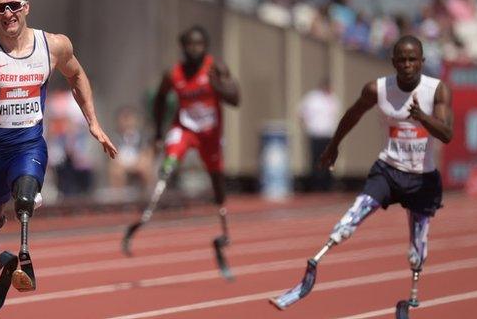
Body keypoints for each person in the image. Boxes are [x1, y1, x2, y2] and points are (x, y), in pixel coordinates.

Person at [0, 0, 116, 293]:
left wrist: (93, 122)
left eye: (15, 6)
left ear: (26, 7)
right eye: (1, 8)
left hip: (28, 145)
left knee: (24, 199)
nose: (9, 13)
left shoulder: (53, 45)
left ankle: (23, 257)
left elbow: (76, 75)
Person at [271, 35, 453, 311]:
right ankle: (315, 262)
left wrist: (422, 116)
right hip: (388, 171)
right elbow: (352, 114)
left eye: (412, 59)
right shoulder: (377, 89)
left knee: (417, 251)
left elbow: (447, 134)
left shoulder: (437, 90)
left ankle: (412, 294)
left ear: (422, 62)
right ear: (393, 62)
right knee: (349, 220)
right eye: (401, 59)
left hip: (422, 179)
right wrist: (333, 146)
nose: (407, 65)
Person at [122, 25, 240, 280]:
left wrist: (218, 84)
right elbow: (160, 100)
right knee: (168, 164)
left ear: (206, 47)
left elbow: (236, 99)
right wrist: (157, 133)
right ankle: (145, 216)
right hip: (184, 128)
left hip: (210, 134)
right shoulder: (172, 74)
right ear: (183, 47)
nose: (193, 49)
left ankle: (223, 232)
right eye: (189, 44)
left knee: (217, 181)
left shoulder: (215, 68)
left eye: (198, 44)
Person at [298, 77, 340, 191]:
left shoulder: (333, 99)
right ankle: (316, 185)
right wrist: (306, 126)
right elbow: (301, 113)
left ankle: (328, 185)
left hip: (329, 135)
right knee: (316, 160)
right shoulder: (312, 98)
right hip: (315, 133)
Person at [108, 105, 154, 192]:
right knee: (116, 171)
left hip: (138, 162)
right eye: (124, 119)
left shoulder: (143, 137)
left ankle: (147, 196)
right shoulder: (114, 137)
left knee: (145, 169)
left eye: (129, 118)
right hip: (121, 163)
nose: (127, 122)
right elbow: (112, 157)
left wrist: (138, 164)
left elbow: (147, 153)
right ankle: (118, 200)